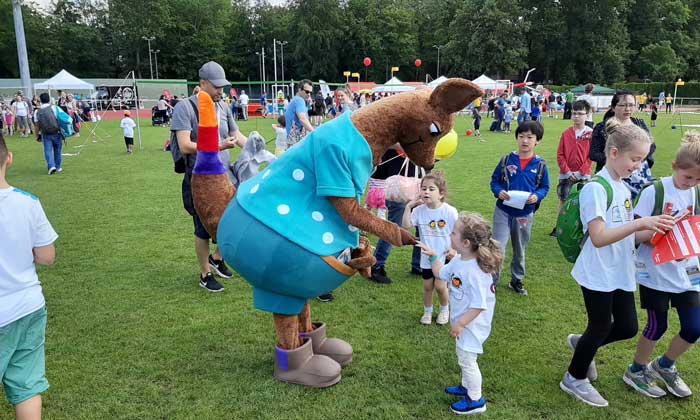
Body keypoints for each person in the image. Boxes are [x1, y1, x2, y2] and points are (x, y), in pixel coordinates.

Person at [560, 119, 675, 407]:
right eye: (634, 158)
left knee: (627, 327)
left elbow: (627, 235)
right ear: (613, 153)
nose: (638, 165)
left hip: (620, 268)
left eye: (642, 159)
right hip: (598, 270)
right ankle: (574, 378)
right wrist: (640, 225)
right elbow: (598, 237)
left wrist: (657, 230)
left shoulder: (622, 187)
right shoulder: (596, 188)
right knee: (599, 326)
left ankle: (582, 344)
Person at [625, 131, 700, 399]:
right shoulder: (653, 191)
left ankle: (665, 365)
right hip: (655, 273)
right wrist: (658, 231)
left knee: (694, 327)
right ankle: (636, 369)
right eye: (688, 176)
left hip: (688, 273)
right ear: (675, 167)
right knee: (658, 326)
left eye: (698, 179)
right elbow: (633, 234)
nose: (692, 183)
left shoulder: (696, 193)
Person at [171, 61, 246, 293]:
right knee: (202, 228)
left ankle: (217, 257)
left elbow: (236, 134)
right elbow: (184, 145)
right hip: (200, 181)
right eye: (216, 87)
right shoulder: (184, 108)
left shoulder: (223, 106)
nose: (221, 91)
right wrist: (217, 146)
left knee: (231, 222)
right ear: (202, 83)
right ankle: (205, 273)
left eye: (223, 87)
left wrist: (256, 150)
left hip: (226, 177)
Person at [418, 212, 503, 415]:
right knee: (462, 355)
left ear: (465, 242)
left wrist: (461, 323)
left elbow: (479, 305)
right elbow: (441, 273)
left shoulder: (475, 272)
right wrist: (433, 256)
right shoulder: (459, 260)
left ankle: (475, 399)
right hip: (463, 322)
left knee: (467, 359)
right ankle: (466, 387)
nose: (450, 233)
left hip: (473, 325)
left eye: (453, 232)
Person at [0, 133, 58, 420]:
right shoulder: (28, 203)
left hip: (22, 307)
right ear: (8, 159)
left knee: (27, 386)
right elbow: (47, 256)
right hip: (27, 307)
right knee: (27, 387)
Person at [490, 121, 550, 296]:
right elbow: (494, 181)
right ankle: (492, 281)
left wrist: (536, 196)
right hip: (503, 210)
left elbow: (544, 187)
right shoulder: (506, 160)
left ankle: (516, 279)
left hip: (524, 213)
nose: (525, 141)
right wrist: (499, 191)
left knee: (519, 248)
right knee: (497, 246)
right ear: (516, 137)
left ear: (537, 140)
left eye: (530, 137)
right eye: (522, 136)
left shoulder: (540, 165)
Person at [402, 171, 459, 325]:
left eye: (431, 189)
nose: (426, 191)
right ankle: (427, 312)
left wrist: (454, 250)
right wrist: (408, 207)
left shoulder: (449, 211)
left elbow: (458, 232)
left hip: (444, 256)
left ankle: (444, 309)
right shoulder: (419, 211)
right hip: (426, 257)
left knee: (440, 286)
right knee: (427, 286)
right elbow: (406, 225)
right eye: (423, 188)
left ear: (441, 194)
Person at [369, 147, 422, 285]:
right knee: (394, 226)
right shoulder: (399, 129)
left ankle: (419, 264)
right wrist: (408, 144)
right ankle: (377, 265)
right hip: (400, 185)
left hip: (420, 181)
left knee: (422, 224)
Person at [589, 90, 655, 200]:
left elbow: (651, 146)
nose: (628, 109)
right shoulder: (602, 127)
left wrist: (635, 161)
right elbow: (593, 153)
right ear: (613, 107)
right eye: (623, 105)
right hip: (612, 175)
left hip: (638, 176)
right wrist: (619, 162)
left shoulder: (639, 123)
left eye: (631, 105)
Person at [551, 100, 594, 236]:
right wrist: (567, 171)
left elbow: (591, 156)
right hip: (566, 175)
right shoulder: (566, 133)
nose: (576, 116)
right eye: (574, 113)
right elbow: (560, 154)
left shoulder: (590, 134)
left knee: (582, 202)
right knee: (564, 201)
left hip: (583, 175)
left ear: (587, 115)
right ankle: (559, 228)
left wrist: (581, 172)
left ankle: (580, 229)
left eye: (580, 114)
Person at [34, 93, 64, 175]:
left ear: (40, 100)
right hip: (57, 132)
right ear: (49, 99)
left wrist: (37, 135)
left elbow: (37, 125)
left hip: (45, 133)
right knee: (57, 150)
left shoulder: (37, 111)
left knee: (48, 150)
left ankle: (51, 166)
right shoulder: (54, 108)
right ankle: (58, 167)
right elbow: (62, 118)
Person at [285, 79, 315, 148]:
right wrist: (314, 132)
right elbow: (302, 119)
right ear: (299, 90)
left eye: (311, 92)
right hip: (296, 141)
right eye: (307, 92)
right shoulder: (299, 100)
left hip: (292, 140)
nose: (309, 94)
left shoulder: (295, 100)